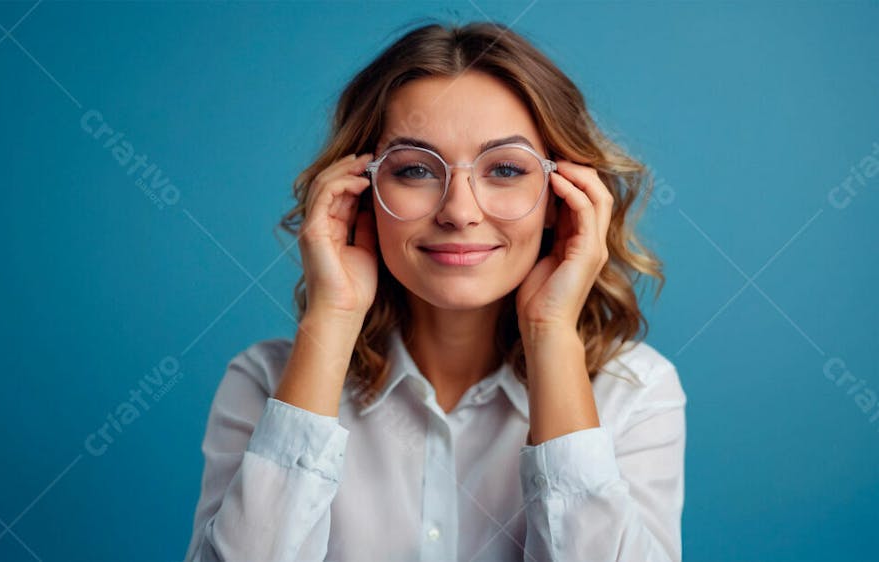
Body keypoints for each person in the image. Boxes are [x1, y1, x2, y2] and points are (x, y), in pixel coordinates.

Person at [184, 19, 686, 562]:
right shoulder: (262, 384)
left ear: (561, 198)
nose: (460, 212)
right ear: (362, 190)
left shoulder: (636, 394)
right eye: (418, 169)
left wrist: (550, 333)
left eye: (506, 169)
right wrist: (333, 314)